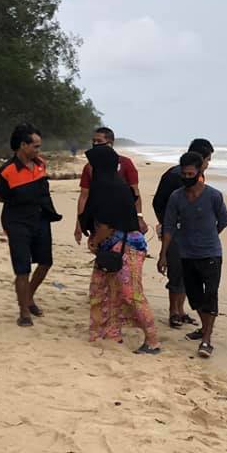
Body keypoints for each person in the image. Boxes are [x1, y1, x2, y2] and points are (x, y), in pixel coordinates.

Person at [79, 144, 160, 354]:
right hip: (111, 245)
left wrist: (95, 241)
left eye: (92, 163)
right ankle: (109, 333)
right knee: (103, 290)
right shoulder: (107, 185)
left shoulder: (111, 187)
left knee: (131, 294)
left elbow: (107, 224)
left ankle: (152, 340)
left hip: (127, 246)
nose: (88, 168)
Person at [158, 151, 227, 359]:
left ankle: (206, 338)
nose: (187, 177)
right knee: (195, 299)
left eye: (191, 174)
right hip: (186, 254)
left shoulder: (214, 195)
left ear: (199, 172)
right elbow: (169, 226)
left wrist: (209, 235)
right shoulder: (176, 197)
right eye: (184, 174)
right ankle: (204, 325)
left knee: (211, 296)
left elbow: (223, 221)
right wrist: (163, 254)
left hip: (211, 254)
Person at [0, 124, 62, 326]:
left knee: (46, 262)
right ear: (23, 145)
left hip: (41, 219)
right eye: (35, 146)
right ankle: (24, 312)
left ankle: (28, 296)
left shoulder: (40, 164)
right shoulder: (6, 171)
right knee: (22, 269)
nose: (38, 150)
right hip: (17, 223)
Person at [152, 138, 214, 329]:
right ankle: (174, 312)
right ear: (200, 158)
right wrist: (168, 224)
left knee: (189, 273)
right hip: (176, 232)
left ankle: (181, 310)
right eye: (208, 159)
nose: (209, 163)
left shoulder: (199, 177)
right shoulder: (175, 176)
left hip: (194, 234)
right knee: (177, 272)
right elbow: (158, 203)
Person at [74, 127, 147, 244]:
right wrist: (79, 224)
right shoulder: (89, 167)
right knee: (100, 247)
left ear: (110, 143)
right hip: (98, 216)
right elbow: (84, 196)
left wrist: (139, 217)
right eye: (93, 141)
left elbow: (135, 193)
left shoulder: (125, 163)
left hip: (123, 217)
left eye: (99, 141)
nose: (95, 144)